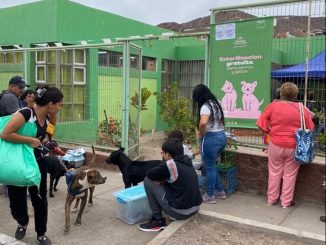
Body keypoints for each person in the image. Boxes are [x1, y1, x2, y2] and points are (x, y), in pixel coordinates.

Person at [0, 85, 63, 245]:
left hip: (37, 163)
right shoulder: (26, 114)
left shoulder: (49, 119)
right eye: (59, 104)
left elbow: (44, 139)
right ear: (50, 103)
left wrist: (49, 143)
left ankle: (40, 234)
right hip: (16, 164)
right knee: (17, 203)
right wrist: (30, 141)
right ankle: (22, 221)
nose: (60, 107)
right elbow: (5, 134)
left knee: (40, 200)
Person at [256, 82, 314, 208]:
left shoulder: (272, 106)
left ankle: (271, 199)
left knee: (274, 172)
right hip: (294, 146)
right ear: (295, 95)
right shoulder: (301, 108)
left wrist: (269, 132)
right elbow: (310, 127)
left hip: (275, 144)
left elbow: (260, 123)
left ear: (281, 93)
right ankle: (286, 202)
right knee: (290, 175)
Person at [138, 138, 202, 232]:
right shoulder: (187, 160)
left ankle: (158, 220)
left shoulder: (170, 164)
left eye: (163, 152)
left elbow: (149, 173)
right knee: (165, 181)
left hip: (181, 213)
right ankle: (165, 216)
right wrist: (165, 179)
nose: (162, 155)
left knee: (148, 181)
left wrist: (162, 178)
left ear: (168, 154)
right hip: (195, 208)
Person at [192, 84, 227, 204]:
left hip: (211, 139)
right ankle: (220, 191)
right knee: (212, 166)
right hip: (221, 137)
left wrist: (201, 134)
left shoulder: (205, 107)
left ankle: (210, 195)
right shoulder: (215, 104)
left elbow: (203, 123)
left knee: (209, 167)